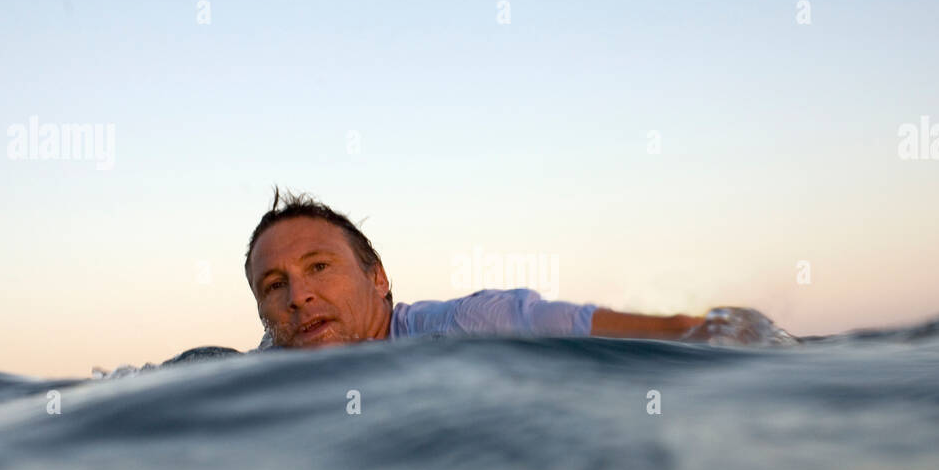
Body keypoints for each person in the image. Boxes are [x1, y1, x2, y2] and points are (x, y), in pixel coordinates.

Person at [242, 189, 788, 351]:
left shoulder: (471, 325)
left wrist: (703, 328)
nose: (298, 295)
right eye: (275, 285)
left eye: (318, 266)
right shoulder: (270, 365)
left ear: (378, 277)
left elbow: (671, 332)